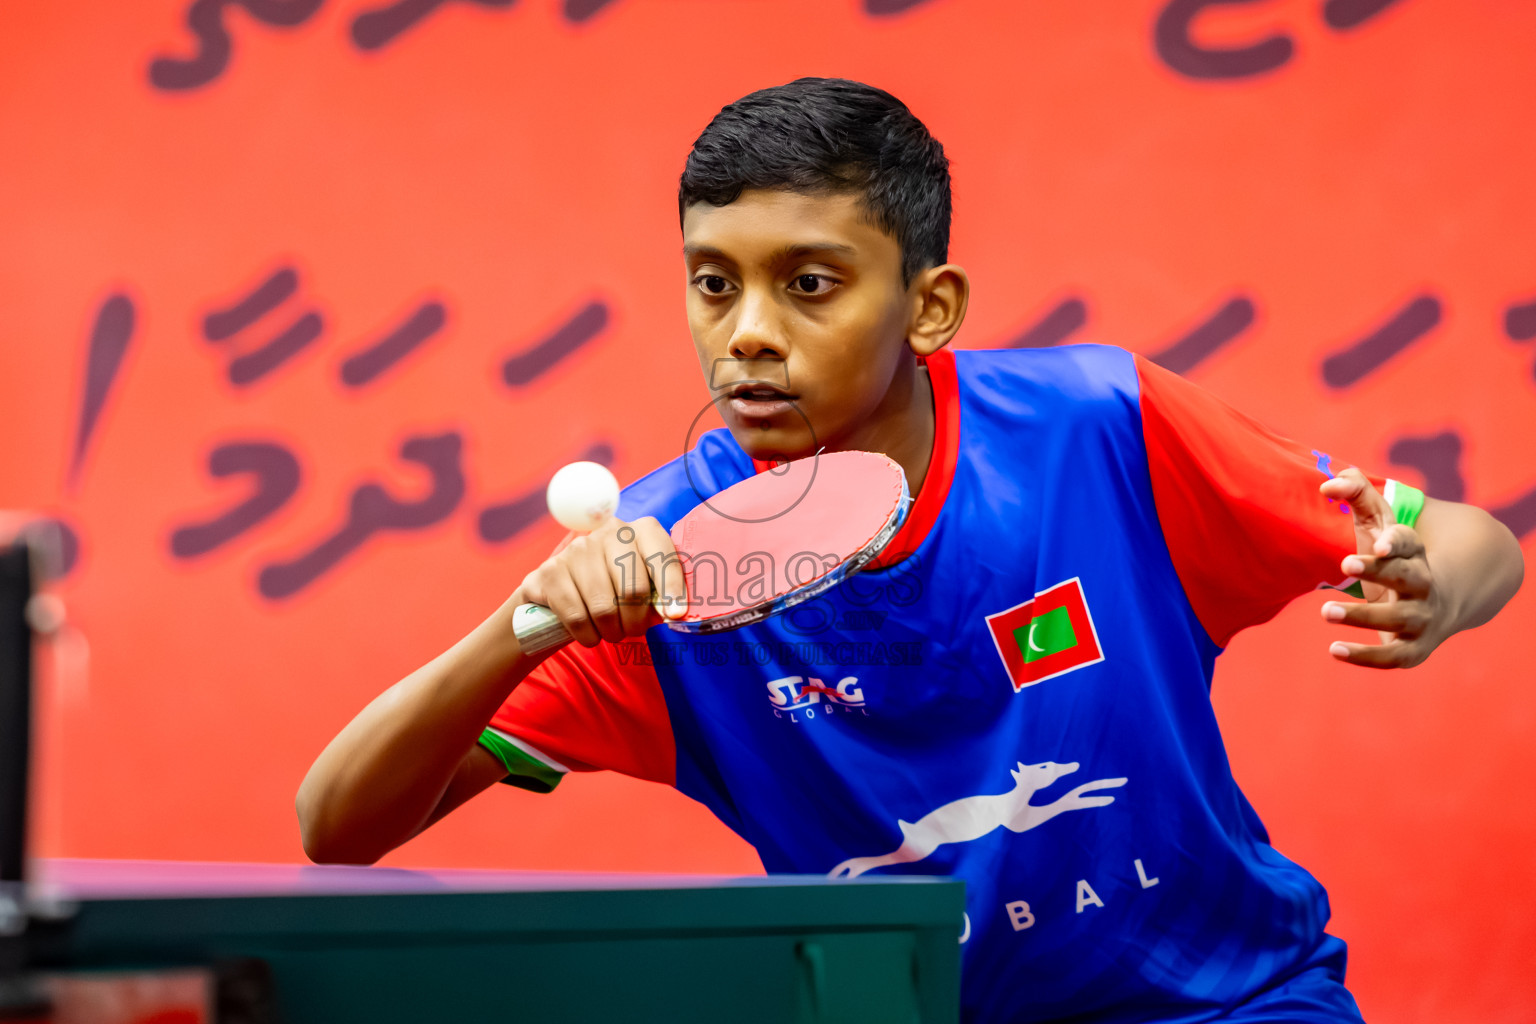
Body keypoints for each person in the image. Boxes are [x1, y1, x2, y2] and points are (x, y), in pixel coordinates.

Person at [296, 78, 1524, 1022]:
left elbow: (1477, 542)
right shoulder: (663, 562)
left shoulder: (1098, 430)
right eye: (713, 285)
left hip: (1228, 1002)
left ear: (929, 306)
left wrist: (1432, 587)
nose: (751, 335)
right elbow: (338, 826)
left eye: (811, 285)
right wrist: (528, 622)